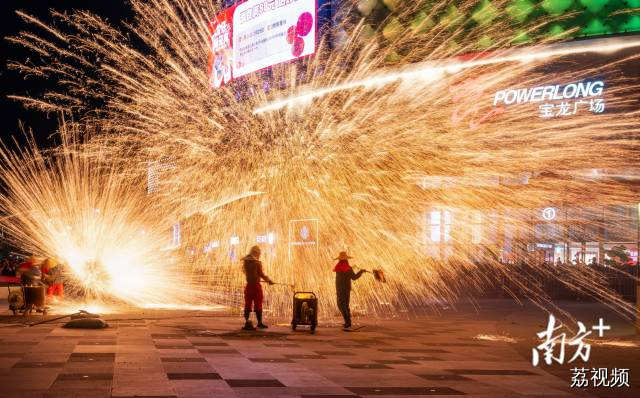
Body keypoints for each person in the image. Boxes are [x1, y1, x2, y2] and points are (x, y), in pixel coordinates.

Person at [241, 245, 274, 330]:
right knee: (258, 304)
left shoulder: (246, 262)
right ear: (256, 253)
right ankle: (259, 323)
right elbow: (261, 274)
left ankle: (247, 322)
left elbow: (245, 272)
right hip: (256, 287)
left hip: (248, 286)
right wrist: (269, 280)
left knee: (247, 304)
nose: (259, 255)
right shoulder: (257, 263)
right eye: (259, 253)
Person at [333, 251, 366, 331]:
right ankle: (348, 322)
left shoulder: (338, 267)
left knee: (341, 305)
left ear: (340, 260)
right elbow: (354, 277)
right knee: (346, 305)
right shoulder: (348, 268)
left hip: (340, 289)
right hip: (346, 289)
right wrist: (361, 272)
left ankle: (347, 322)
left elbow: (339, 278)